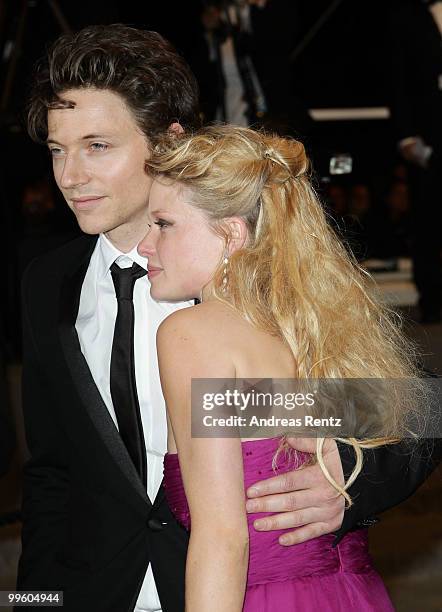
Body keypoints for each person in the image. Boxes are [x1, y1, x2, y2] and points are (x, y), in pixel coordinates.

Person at [18, 24, 438, 612]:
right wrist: (34, 602)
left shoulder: (258, 280)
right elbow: (52, 476)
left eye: (98, 146)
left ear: (168, 142)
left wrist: (349, 476)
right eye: (58, 150)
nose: (69, 176)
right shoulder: (45, 284)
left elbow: (413, 406)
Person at [138, 124, 429, 610]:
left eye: (163, 224)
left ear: (231, 233)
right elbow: (410, 411)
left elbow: (223, 540)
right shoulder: (317, 330)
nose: (147, 244)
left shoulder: (190, 332)